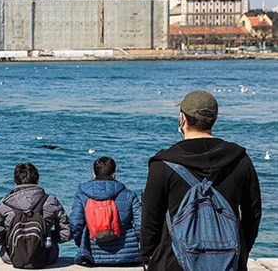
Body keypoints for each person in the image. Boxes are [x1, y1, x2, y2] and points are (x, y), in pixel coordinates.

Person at [140, 90, 262, 270]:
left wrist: (147, 257)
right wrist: (241, 252)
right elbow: (253, 214)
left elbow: (150, 220)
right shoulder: (240, 160)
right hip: (229, 262)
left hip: (173, 262)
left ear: (182, 119)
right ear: (215, 119)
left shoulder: (163, 164)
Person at [0, 162, 71, 268]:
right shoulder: (51, 201)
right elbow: (66, 233)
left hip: (12, 256)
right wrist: (49, 237)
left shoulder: (4, 204)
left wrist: (9, 240)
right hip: (46, 256)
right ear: (37, 180)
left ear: (15, 182)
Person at [69, 156, 141, 266]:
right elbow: (141, 225)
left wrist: (82, 244)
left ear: (94, 174)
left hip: (92, 256)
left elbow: (75, 223)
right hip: (127, 256)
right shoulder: (129, 195)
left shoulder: (82, 195)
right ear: (114, 174)